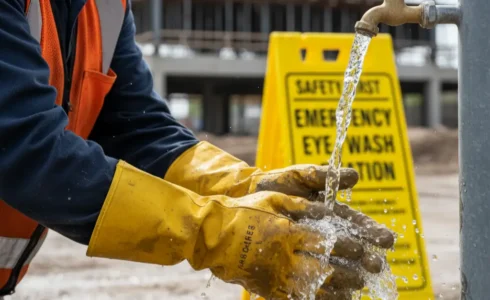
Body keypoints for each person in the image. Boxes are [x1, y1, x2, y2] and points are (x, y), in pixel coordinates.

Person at [0, 1, 395, 299]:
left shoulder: (104, 6)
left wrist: (245, 187)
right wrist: (218, 234)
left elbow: (134, 129)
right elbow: (22, 148)